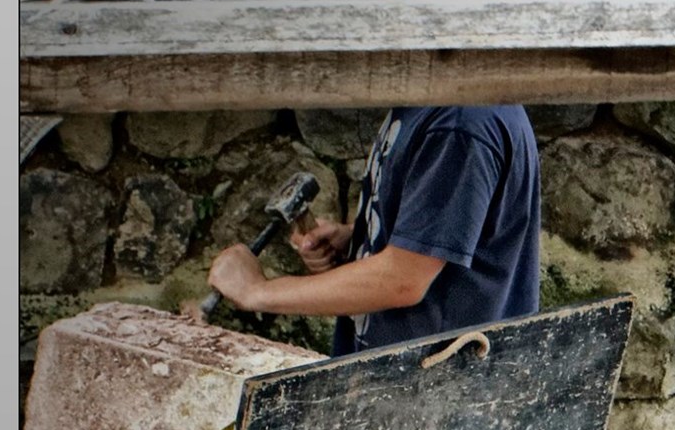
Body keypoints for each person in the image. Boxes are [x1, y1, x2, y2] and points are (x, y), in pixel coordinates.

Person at [198, 105, 540, 354]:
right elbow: (439, 234)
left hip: (436, 394)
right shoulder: (431, 105)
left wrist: (258, 291)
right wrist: (363, 239)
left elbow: (403, 280)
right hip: (407, 384)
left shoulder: (459, 125)